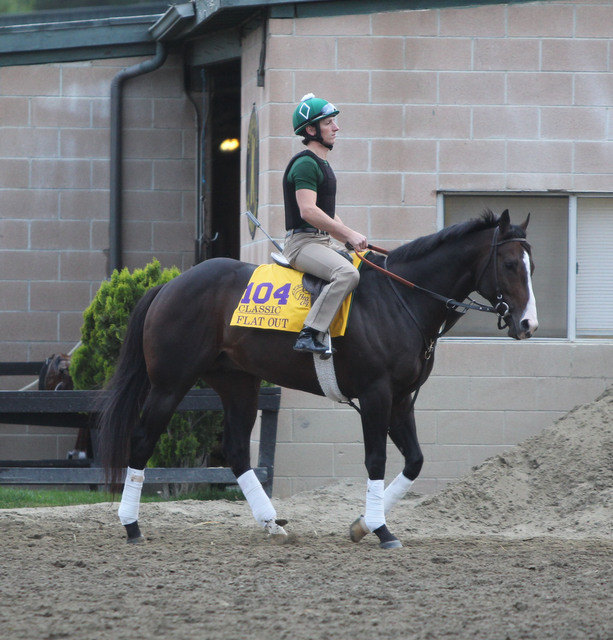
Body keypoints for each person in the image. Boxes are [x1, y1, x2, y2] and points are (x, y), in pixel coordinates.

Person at [283, 93, 368, 354]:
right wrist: (348, 233)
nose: (336, 127)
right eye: (329, 122)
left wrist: (349, 237)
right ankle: (310, 332)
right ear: (311, 130)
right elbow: (308, 211)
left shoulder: (322, 164)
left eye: (334, 122)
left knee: (365, 265)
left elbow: (326, 214)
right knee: (346, 273)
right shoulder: (306, 164)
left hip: (321, 241)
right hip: (302, 245)